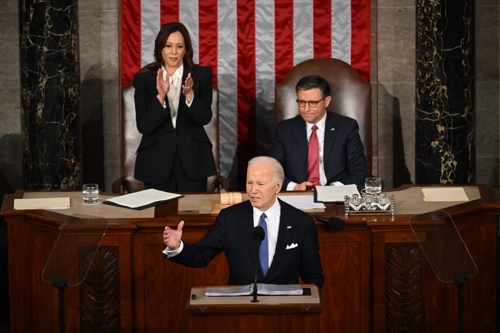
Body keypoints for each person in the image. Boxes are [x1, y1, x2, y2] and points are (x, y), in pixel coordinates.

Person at [162, 156, 324, 288]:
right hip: (241, 311)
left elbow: (313, 278)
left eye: (260, 184)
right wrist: (177, 247)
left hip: (285, 313)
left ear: (277, 186)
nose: (253, 190)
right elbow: (201, 256)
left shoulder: (301, 222)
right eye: (249, 182)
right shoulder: (229, 218)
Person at [133, 22, 216, 192]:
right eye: (168, 46)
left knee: (192, 215)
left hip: (194, 160)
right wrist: (160, 97)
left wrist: (190, 95)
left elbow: (205, 118)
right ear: (160, 49)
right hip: (155, 161)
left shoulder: (201, 75)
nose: (173, 52)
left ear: (186, 50)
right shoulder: (144, 79)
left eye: (179, 46)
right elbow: (144, 126)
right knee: (159, 217)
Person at [269, 74, 367, 191]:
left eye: (312, 103)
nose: (306, 109)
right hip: (297, 195)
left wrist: (334, 188)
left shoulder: (346, 127)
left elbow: (359, 171)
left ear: (326, 101)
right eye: (301, 102)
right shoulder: (284, 130)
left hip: (335, 195)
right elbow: (273, 171)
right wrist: (294, 187)